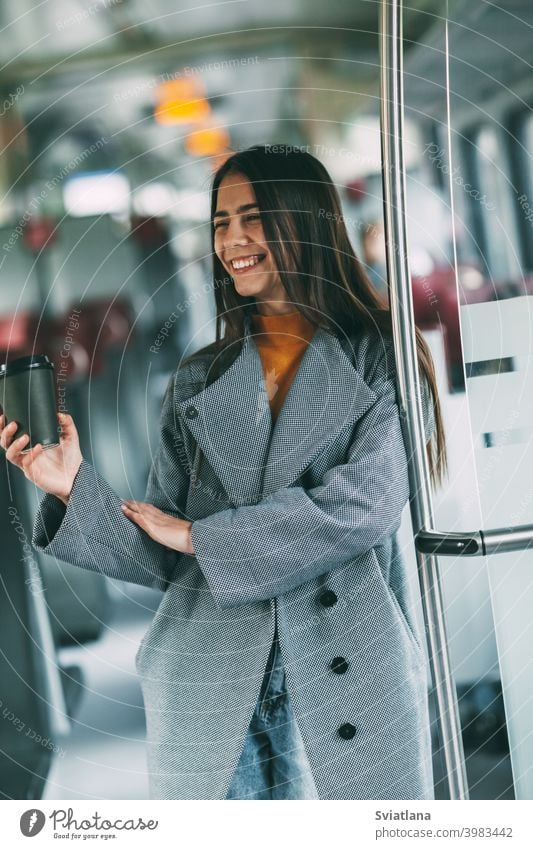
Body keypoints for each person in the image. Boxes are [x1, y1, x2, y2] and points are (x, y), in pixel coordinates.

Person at [0, 144, 447, 800]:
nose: (232, 238)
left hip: (344, 670)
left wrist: (201, 536)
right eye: (220, 221)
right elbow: (161, 558)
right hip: (206, 679)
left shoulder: (380, 354)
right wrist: (72, 486)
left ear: (308, 221)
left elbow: (359, 510)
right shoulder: (197, 379)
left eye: (253, 217)